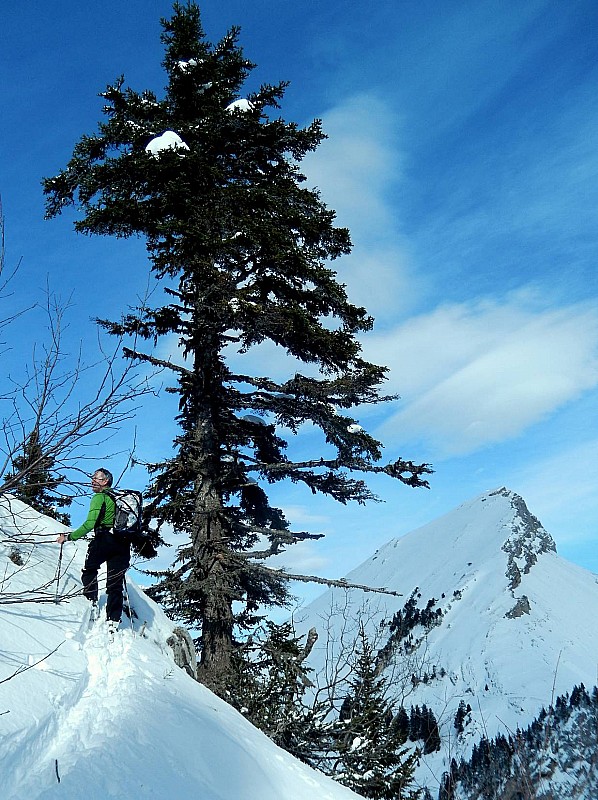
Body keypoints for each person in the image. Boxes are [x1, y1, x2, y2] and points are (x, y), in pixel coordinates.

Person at [56, 468, 130, 629]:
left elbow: (90, 523)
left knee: (90, 569)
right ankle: (113, 620)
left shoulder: (99, 497)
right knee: (115, 582)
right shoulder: (118, 499)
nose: (92, 481)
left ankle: (91, 601)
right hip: (123, 543)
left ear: (105, 481)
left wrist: (69, 537)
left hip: (104, 539)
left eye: (96, 478)